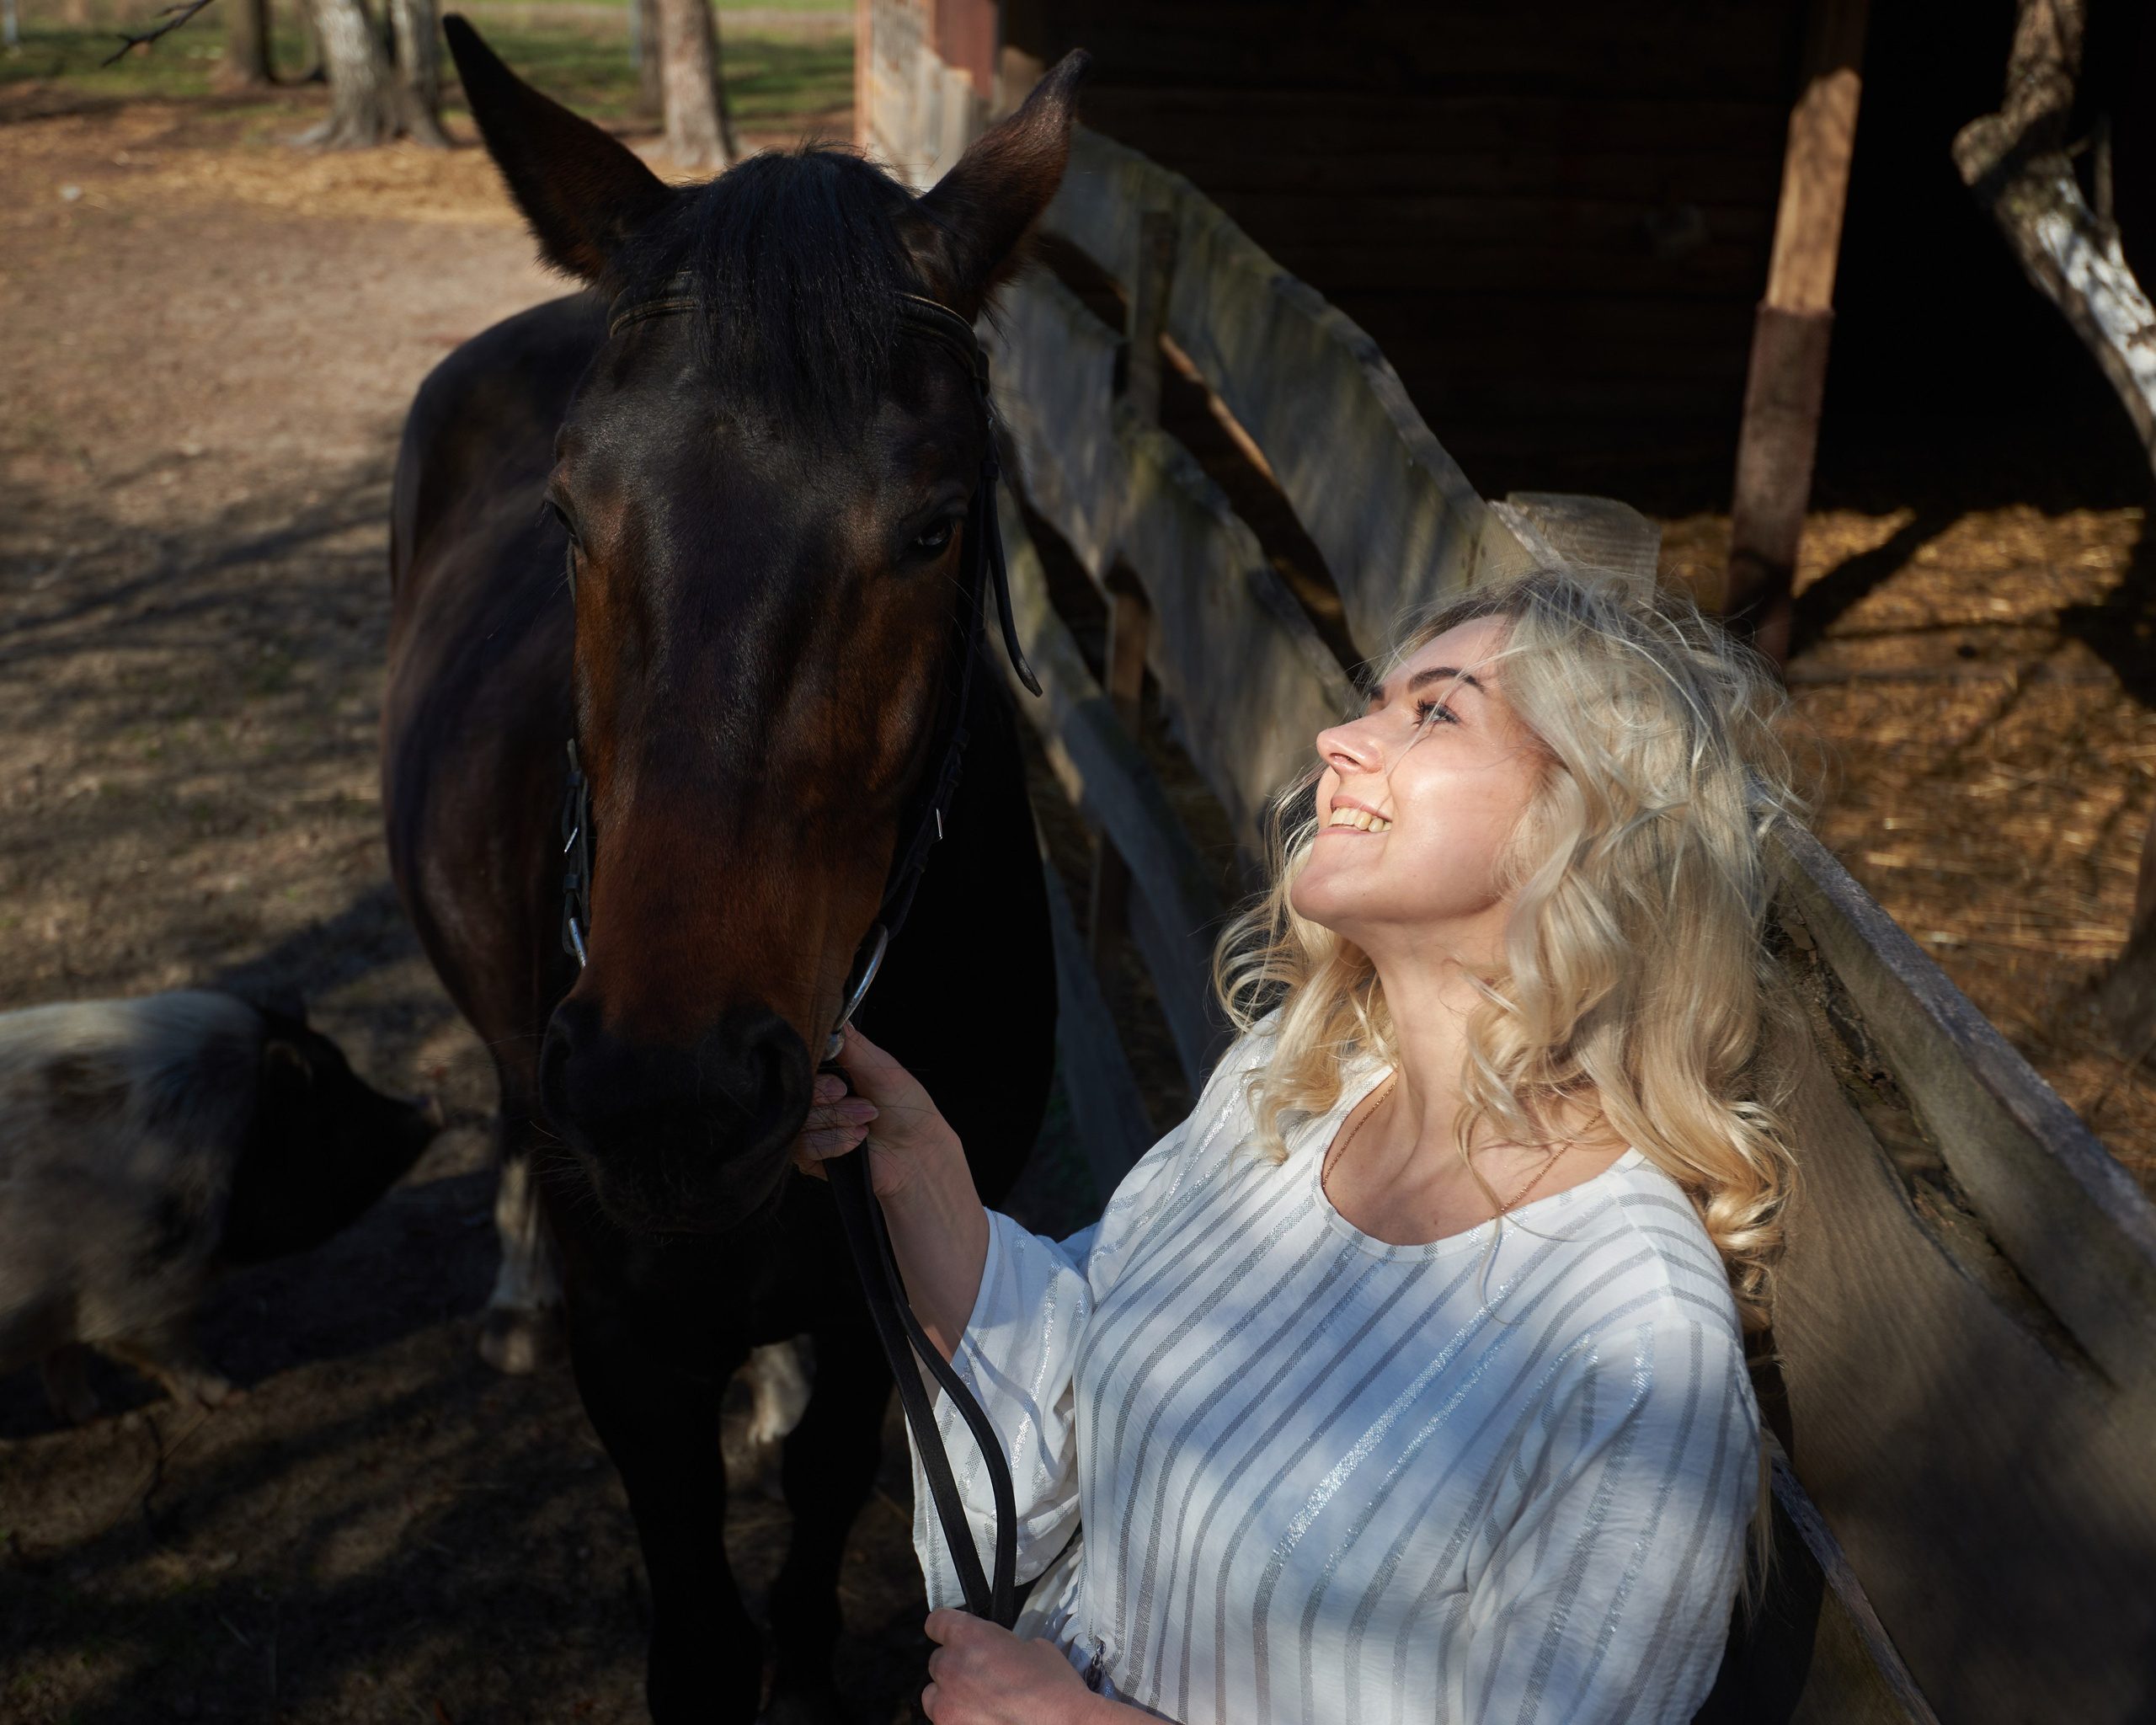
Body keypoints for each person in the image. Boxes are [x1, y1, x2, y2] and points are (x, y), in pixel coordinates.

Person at [798, 567, 1802, 1724]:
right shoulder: (1296, 1089)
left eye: (1434, 711)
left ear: (1590, 824)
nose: (1337, 738)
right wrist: (920, 1175)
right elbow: (1098, 1361)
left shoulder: (1635, 1348)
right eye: (1372, 701)